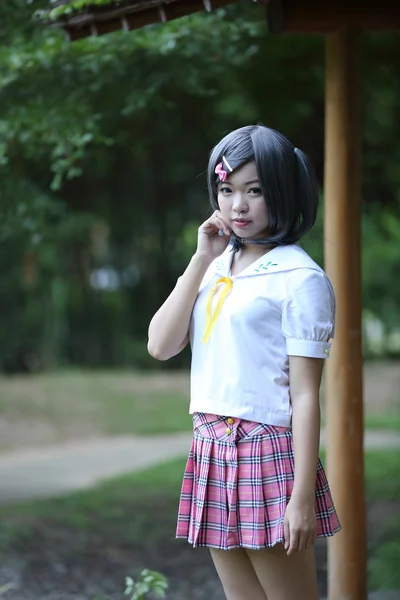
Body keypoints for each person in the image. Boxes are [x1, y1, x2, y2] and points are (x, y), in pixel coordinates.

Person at [147, 125, 341, 600]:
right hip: (211, 445)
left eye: (254, 191)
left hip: (267, 451)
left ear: (281, 191)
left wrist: (300, 498)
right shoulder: (213, 267)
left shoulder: (300, 277)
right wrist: (200, 259)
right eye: (227, 189)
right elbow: (160, 345)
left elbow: (306, 394)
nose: (238, 205)